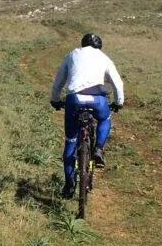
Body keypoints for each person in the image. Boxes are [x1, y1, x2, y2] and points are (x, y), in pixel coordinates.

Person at [50, 33, 124, 198]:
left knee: (70, 140)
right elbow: (117, 83)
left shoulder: (72, 55)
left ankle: (69, 184)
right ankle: (98, 149)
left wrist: (55, 100)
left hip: (74, 99)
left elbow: (59, 81)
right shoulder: (104, 58)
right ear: (100, 46)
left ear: (82, 44)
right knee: (104, 118)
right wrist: (119, 102)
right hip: (98, 100)